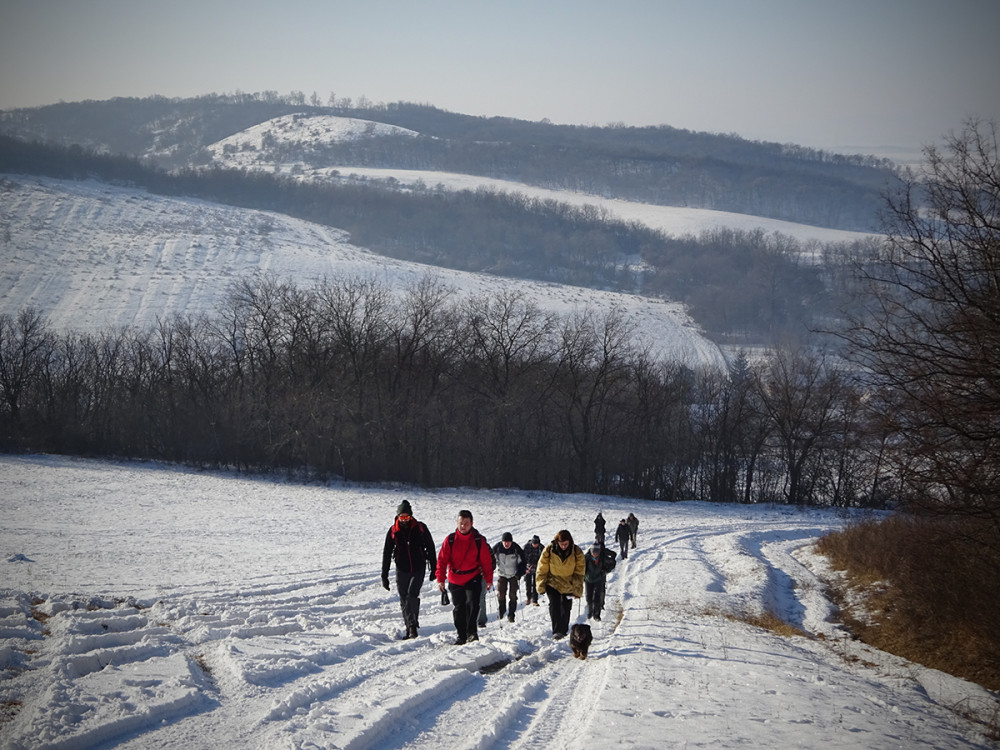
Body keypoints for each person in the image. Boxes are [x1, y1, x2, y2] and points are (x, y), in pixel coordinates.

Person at [436, 509, 494, 645]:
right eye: (461, 523)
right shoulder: (450, 540)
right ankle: (461, 635)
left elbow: (486, 561)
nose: (463, 526)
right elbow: (442, 560)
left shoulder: (478, 540)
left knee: (474, 605)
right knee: (459, 607)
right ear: (457, 523)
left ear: (472, 523)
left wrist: (489, 579)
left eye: (466, 523)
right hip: (455, 578)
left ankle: (472, 632)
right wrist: (440, 579)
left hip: (473, 576)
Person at [381, 499, 436, 639]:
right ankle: (409, 627)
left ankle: (412, 627)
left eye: (407, 517)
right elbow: (387, 552)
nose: (404, 520)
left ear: (411, 516)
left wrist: (434, 568)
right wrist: (384, 575)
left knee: (412, 594)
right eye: (402, 517)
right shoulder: (393, 531)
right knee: (403, 598)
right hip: (402, 568)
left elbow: (430, 547)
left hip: (418, 567)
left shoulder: (420, 528)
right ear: (397, 517)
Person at [535, 529, 585, 639]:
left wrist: (577, 589)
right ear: (557, 542)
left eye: (566, 544)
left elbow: (579, 572)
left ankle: (563, 630)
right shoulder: (549, 550)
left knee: (566, 607)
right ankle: (556, 631)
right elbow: (542, 568)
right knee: (555, 605)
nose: (563, 546)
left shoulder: (577, 552)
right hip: (553, 582)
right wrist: (541, 584)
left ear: (570, 542)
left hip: (568, 583)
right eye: (561, 544)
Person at [492, 532, 526, 623]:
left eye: (508, 542)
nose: (506, 544)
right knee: (501, 593)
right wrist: (491, 567)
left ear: (511, 542)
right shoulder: (497, 548)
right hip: (502, 574)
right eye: (505, 542)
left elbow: (523, 562)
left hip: (513, 575)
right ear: (502, 542)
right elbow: (490, 558)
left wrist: (520, 573)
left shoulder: (516, 548)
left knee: (513, 595)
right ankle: (502, 610)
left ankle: (511, 614)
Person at [584, 543, 617, 621]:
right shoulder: (587, 557)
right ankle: (590, 612)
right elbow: (581, 566)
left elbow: (612, 563)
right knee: (589, 597)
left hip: (599, 579)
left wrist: (605, 571)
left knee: (597, 597)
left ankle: (597, 615)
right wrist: (583, 575)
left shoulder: (603, 557)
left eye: (596, 553)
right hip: (588, 580)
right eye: (593, 553)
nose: (595, 555)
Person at [522, 535, 543, 605]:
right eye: (534, 544)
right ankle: (528, 597)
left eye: (536, 544)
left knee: (535, 584)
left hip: (537, 568)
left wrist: (538, 561)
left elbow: (544, 557)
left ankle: (535, 600)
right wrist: (529, 559)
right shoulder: (527, 546)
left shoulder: (541, 547)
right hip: (528, 568)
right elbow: (523, 556)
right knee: (528, 583)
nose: (535, 545)